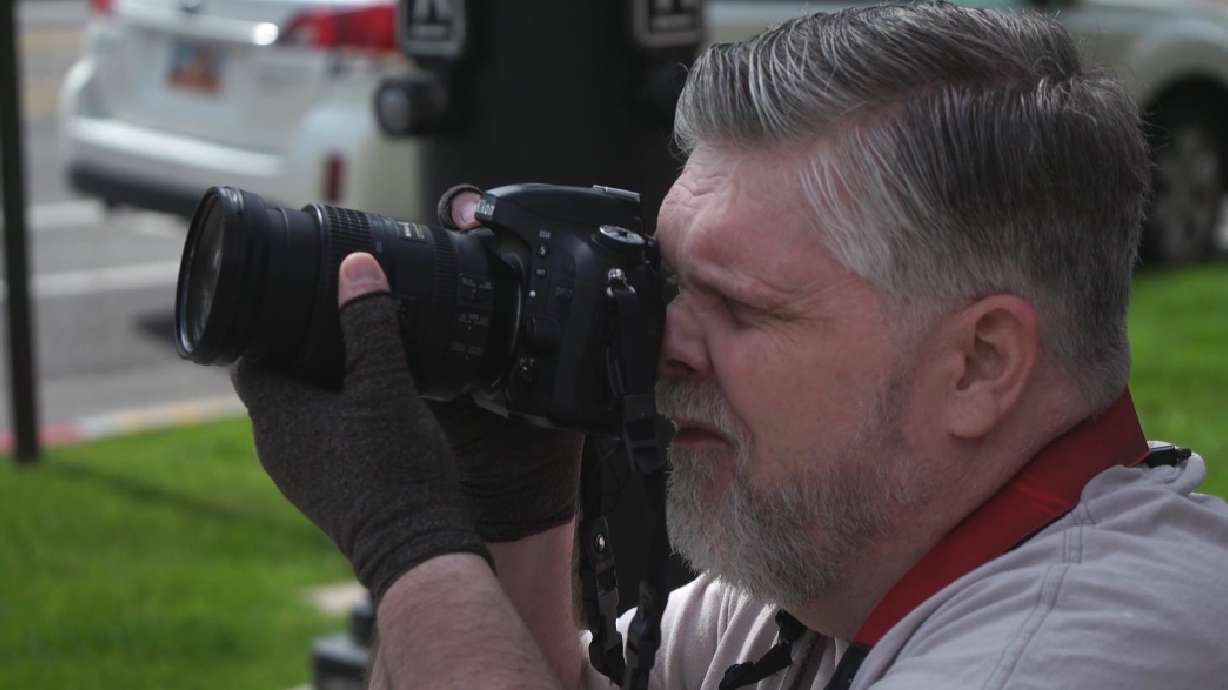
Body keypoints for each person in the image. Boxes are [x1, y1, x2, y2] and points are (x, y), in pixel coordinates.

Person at [233, 3, 1228, 689]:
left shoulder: (1085, 649)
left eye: (739, 308)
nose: (660, 342)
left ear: (979, 366)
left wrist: (409, 544)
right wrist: (512, 504)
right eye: (664, 283)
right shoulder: (837, 574)